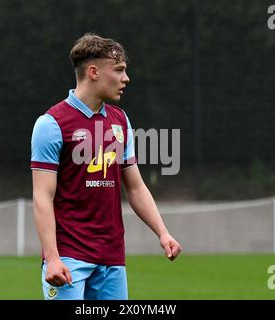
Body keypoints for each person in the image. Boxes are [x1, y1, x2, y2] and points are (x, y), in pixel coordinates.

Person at [30, 33, 182, 300]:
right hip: (69, 259)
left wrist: (163, 232)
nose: (126, 79)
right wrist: (52, 258)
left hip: (112, 258)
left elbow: (135, 188)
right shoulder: (51, 124)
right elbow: (42, 196)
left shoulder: (120, 120)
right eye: (120, 70)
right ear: (93, 72)